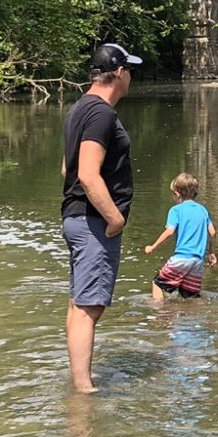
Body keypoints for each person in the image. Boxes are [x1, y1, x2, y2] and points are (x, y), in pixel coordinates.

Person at [61, 42, 141, 392]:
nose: (131, 78)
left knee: (80, 303)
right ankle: (84, 390)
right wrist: (115, 219)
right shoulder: (101, 114)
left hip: (78, 218)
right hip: (93, 221)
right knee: (89, 307)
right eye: (130, 71)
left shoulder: (80, 108)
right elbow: (87, 174)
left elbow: (66, 167)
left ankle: (79, 383)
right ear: (119, 72)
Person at [144, 171, 216, 301]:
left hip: (182, 258)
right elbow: (212, 232)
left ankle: (161, 316)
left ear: (177, 193)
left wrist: (153, 247)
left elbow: (170, 231)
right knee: (189, 297)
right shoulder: (203, 210)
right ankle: (191, 318)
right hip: (198, 261)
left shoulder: (176, 210)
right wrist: (211, 253)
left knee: (157, 284)